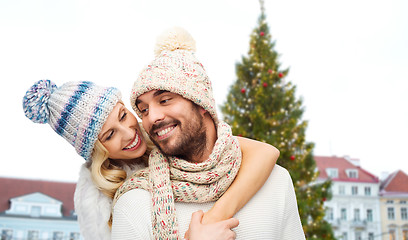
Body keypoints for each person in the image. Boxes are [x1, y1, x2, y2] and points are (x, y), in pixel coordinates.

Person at [110, 27, 305, 239]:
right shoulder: (135, 201)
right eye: (144, 110)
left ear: (201, 103)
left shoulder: (275, 181)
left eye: (165, 100)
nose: (151, 117)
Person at [22, 79, 279, 240]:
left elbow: (266, 152)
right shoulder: (101, 202)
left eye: (123, 116)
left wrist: (216, 216)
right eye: (110, 135)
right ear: (96, 151)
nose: (129, 134)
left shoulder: (163, 134)